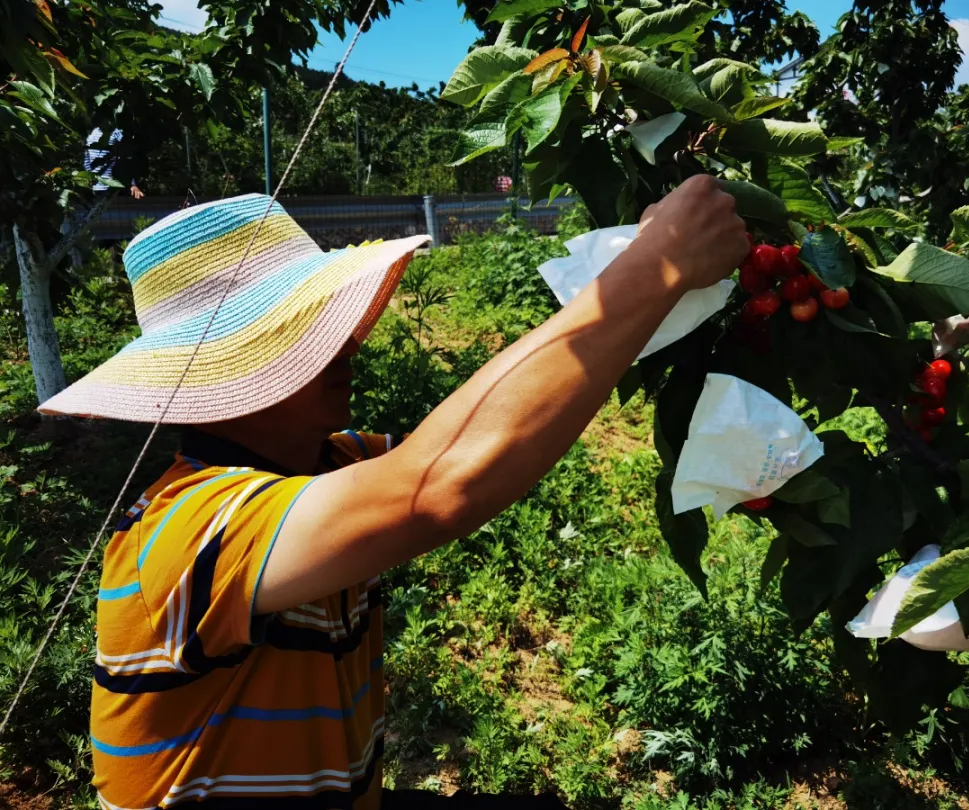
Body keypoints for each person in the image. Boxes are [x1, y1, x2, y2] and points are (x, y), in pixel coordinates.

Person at [39, 176, 748, 809]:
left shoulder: (326, 465)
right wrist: (652, 268)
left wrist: (655, 275)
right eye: (301, 329)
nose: (346, 342)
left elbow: (476, 442)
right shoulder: (188, 527)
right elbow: (441, 482)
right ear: (226, 369)